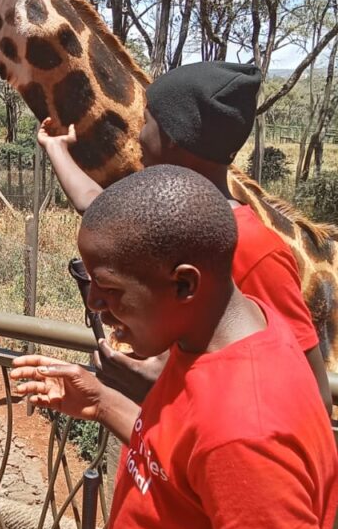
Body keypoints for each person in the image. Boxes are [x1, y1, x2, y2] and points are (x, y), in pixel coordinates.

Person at [12, 164, 338, 529]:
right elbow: (180, 469)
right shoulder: (213, 339)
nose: (94, 303)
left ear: (185, 282)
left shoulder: (244, 430)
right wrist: (102, 402)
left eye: (109, 287)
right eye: (87, 279)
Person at [39, 61, 331, 411]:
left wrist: (164, 389)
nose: (138, 134)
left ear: (174, 137)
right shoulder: (166, 214)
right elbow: (93, 204)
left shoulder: (254, 249)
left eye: (147, 121)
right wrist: (56, 149)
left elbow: (312, 394)